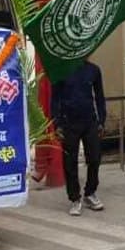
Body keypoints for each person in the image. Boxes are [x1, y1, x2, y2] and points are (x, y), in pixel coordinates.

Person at [51, 59, 106, 216]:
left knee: (94, 158)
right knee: (70, 163)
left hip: (90, 122)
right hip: (68, 123)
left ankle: (90, 192)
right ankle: (75, 198)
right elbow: (55, 99)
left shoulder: (94, 70)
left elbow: (100, 97)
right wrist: (57, 124)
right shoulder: (61, 70)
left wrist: (101, 120)